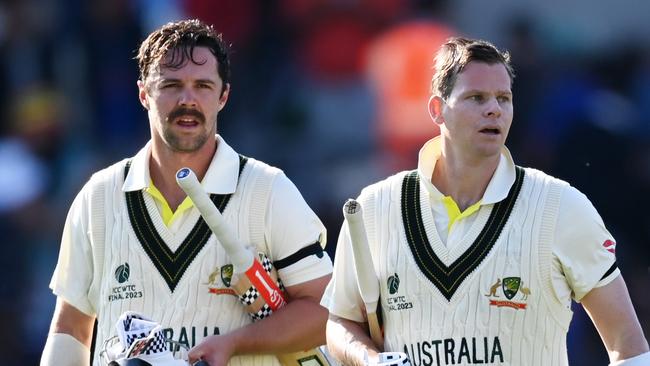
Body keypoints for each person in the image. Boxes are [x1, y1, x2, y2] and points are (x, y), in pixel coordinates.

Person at [321, 37, 649, 366]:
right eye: (476, 98)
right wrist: (369, 360)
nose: (494, 109)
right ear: (437, 110)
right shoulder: (374, 208)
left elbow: (628, 344)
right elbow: (340, 322)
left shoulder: (561, 205)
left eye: (503, 98)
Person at [41, 19, 333, 366]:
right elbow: (71, 329)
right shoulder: (98, 197)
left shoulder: (268, 190)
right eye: (172, 85)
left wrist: (235, 343)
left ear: (223, 95)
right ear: (143, 94)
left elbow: (325, 313)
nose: (188, 99)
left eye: (203, 86)